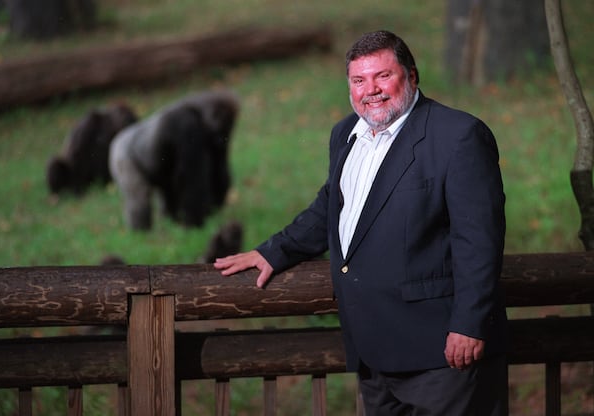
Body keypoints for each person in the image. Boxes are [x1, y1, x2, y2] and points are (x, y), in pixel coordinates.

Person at [214, 30, 508, 415]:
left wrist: (469, 324)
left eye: (383, 76)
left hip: (442, 354)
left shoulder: (458, 136)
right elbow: (330, 208)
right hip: (374, 353)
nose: (371, 90)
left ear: (412, 76)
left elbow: (479, 240)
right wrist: (273, 252)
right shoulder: (345, 135)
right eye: (359, 80)